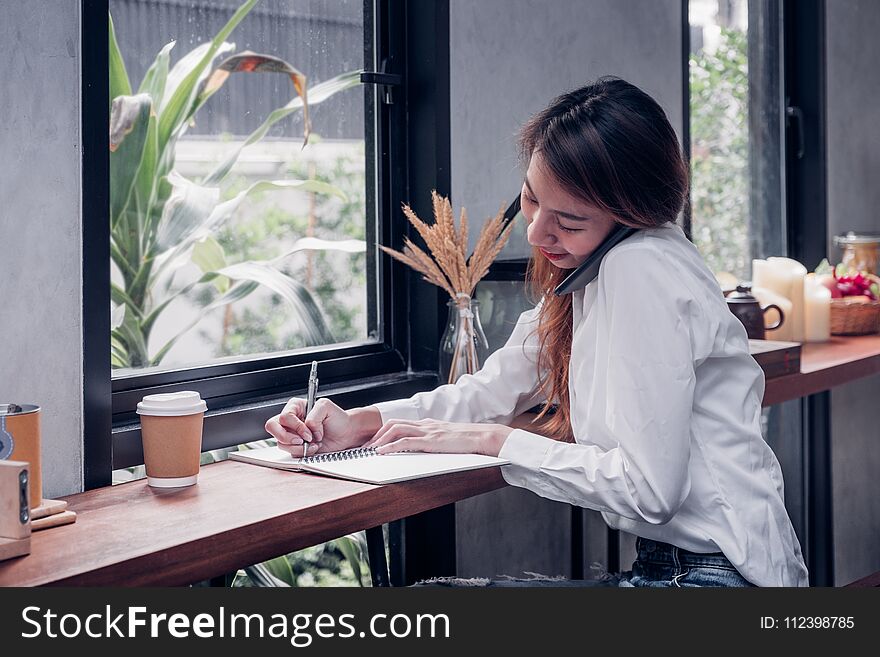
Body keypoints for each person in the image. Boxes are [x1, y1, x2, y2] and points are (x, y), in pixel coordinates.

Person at [265, 76, 809, 588]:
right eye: (530, 197)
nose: (536, 230)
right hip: (682, 567)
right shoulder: (590, 271)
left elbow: (650, 492)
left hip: (717, 576)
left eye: (568, 221)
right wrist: (358, 424)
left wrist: (495, 441)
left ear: (631, 214)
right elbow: (492, 391)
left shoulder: (641, 267)